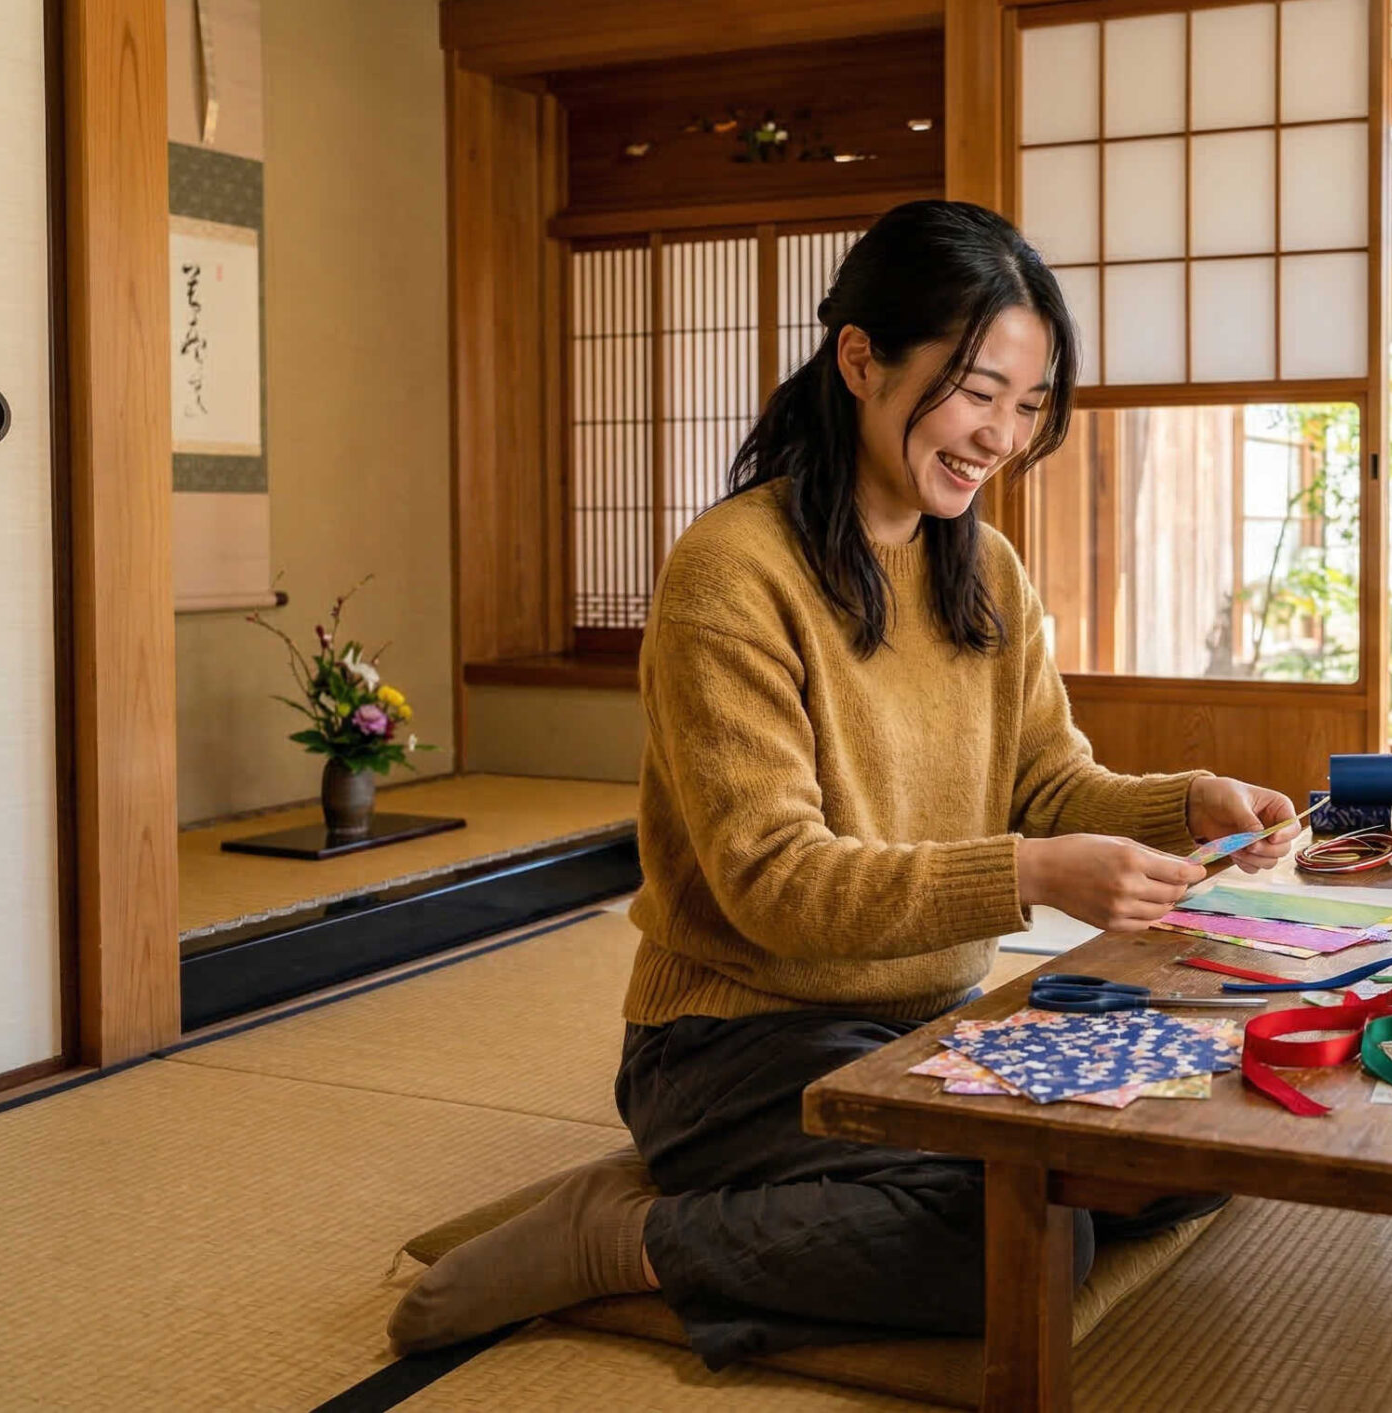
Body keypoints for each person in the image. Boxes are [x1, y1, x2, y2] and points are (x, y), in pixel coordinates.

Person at [387, 200, 1298, 1366]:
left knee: (1193, 1139)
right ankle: (620, 1234)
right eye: (976, 392)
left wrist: (1187, 801)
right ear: (860, 358)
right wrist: (1027, 875)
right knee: (1007, 1242)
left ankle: (807, 1193)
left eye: (1026, 406)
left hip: (922, 1023)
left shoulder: (985, 569)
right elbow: (778, 885)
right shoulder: (732, 570)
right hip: (733, 1044)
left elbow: (1046, 781)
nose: (1000, 436)